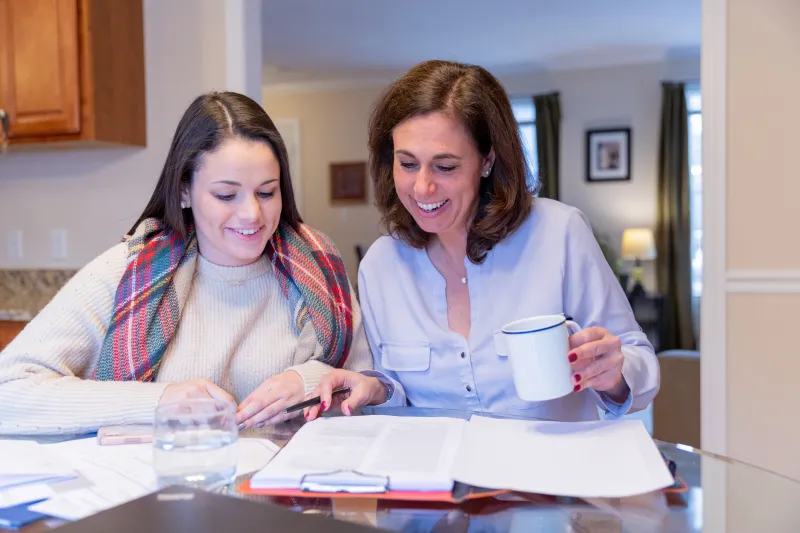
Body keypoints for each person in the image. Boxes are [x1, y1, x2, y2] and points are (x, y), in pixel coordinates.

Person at [306, 60, 659, 422]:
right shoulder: (381, 265)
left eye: (445, 167)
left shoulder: (560, 232)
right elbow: (396, 393)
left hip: (547, 473)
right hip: (434, 473)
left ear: (487, 159)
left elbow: (639, 361)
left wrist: (613, 374)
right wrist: (373, 388)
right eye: (408, 164)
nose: (423, 187)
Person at [0, 91, 371, 435]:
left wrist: (311, 381)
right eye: (226, 194)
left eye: (266, 192)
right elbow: (10, 390)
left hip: (290, 497)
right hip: (165, 494)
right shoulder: (128, 273)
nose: (251, 214)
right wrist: (160, 401)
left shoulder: (320, 266)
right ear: (183, 190)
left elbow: (367, 383)